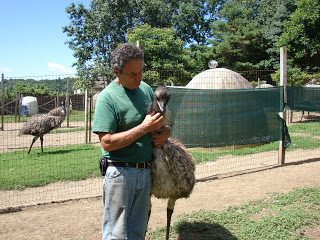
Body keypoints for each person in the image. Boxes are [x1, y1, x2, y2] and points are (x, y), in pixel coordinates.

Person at [92, 42, 170, 240]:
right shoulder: (107, 98)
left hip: (144, 172)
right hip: (120, 174)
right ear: (116, 72)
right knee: (116, 233)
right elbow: (107, 142)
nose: (139, 78)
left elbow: (159, 122)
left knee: (137, 232)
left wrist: (165, 132)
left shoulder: (144, 89)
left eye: (141, 71)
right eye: (132, 74)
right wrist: (144, 128)